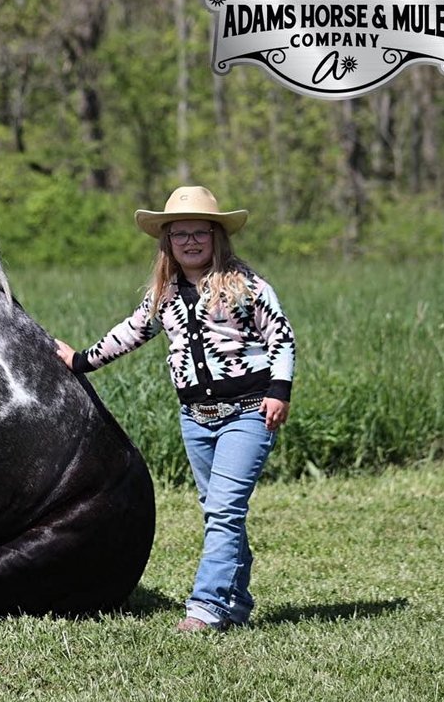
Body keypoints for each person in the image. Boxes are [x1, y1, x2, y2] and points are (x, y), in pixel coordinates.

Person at [54, 186, 295, 633]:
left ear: (216, 236)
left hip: (247, 412)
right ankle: (235, 603)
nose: (190, 241)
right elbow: (131, 331)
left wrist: (279, 390)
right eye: (179, 234)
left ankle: (204, 609)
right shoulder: (163, 294)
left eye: (199, 232)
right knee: (219, 511)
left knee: (224, 511)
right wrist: (81, 360)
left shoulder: (245, 286)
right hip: (196, 419)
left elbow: (280, 337)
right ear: (167, 241)